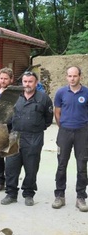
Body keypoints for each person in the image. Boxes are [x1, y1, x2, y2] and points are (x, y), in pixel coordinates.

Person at [1, 71, 53, 206]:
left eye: (30, 81)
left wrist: (36, 127)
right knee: (11, 166)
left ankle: (28, 194)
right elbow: (6, 116)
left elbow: (48, 119)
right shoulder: (14, 96)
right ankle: (11, 194)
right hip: (15, 135)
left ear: (36, 83)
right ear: (22, 82)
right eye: (25, 81)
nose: (27, 84)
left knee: (31, 167)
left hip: (34, 136)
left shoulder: (44, 98)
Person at [52, 66, 88, 212]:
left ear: (80, 76)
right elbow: (57, 113)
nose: (72, 78)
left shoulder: (86, 92)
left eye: (75, 76)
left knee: (82, 166)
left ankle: (81, 197)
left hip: (82, 133)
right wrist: (64, 127)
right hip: (64, 132)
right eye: (69, 76)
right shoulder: (61, 92)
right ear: (66, 77)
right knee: (61, 165)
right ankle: (60, 195)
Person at [0, 68, 14, 192]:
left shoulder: (16, 94)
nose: (3, 81)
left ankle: (11, 183)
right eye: (1, 78)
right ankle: (0, 181)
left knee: (11, 156)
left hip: (11, 128)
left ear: (11, 79)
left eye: (6, 78)